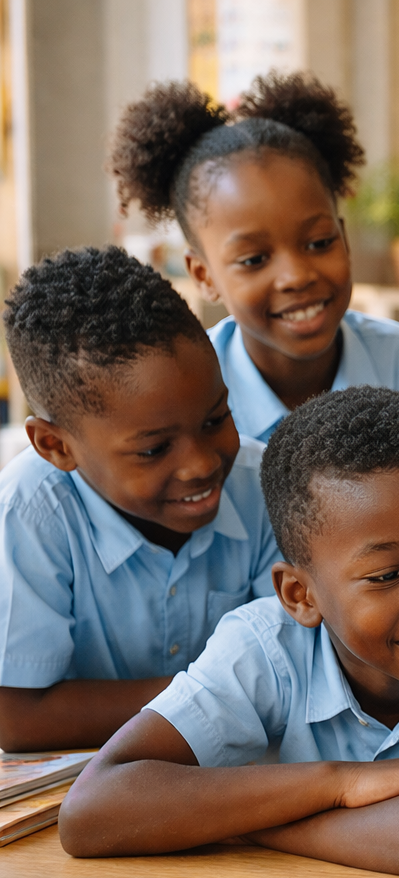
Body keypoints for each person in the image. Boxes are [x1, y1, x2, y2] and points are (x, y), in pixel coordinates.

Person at [58, 387, 399, 878]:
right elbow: (91, 810)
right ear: (300, 596)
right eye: (387, 575)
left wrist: (244, 821)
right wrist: (336, 783)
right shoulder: (263, 647)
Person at [0, 246, 279, 752]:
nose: (201, 464)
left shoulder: (263, 486)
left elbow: (297, 662)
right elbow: (17, 718)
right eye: (154, 449)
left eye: (215, 419)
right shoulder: (28, 514)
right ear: (56, 446)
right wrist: (219, 694)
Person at [109, 73, 399, 442]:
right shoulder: (185, 393)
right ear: (204, 276)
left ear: (344, 238)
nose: (296, 276)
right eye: (254, 260)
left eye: (319, 243)